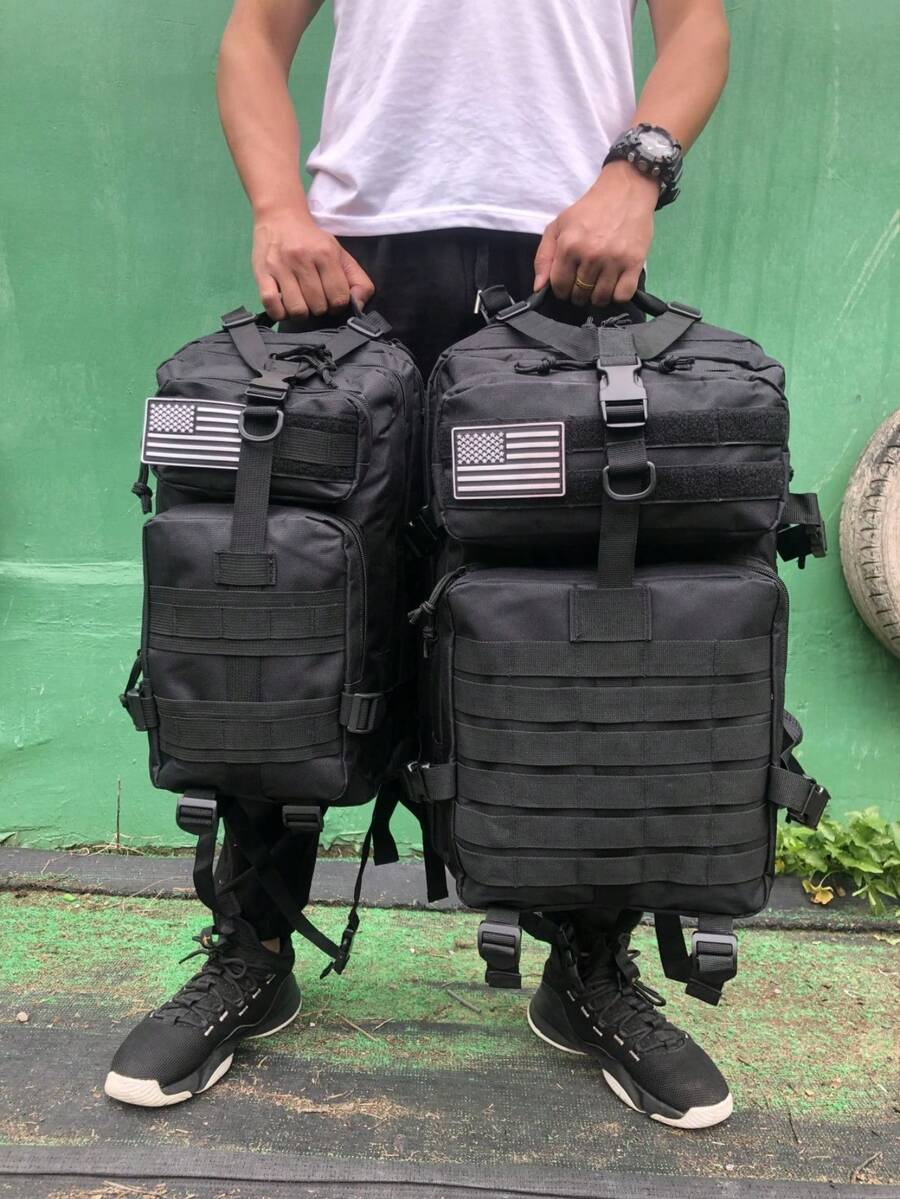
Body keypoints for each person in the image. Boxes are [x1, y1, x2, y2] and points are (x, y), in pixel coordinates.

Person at [106, 0, 733, 1129]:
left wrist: (635, 175)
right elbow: (254, 35)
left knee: (587, 620)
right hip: (349, 270)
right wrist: (277, 209)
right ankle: (253, 951)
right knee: (286, 606)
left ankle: (588, 967)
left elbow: (697, 26)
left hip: (571, 259)